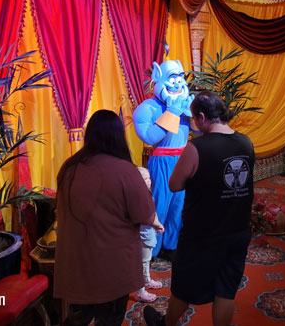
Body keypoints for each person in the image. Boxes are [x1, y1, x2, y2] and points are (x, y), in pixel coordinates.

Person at [144, 91, 255, 326]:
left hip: (202, 233)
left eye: (194, 118)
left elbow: (174, 184)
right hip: (238, 229)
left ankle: (166, 324)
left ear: (202, 117)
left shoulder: (197, 148)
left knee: (184, 285)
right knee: (226, 289)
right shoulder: (246, 142)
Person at [54, 110, 160, 326]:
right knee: (110, 319)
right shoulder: (125, 170)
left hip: (77, 260)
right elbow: (145, 214)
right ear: (118, 136)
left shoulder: (69, 167)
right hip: (113, 263)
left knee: (78, 318)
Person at [133, 59, 194, 259]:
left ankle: (171, 245)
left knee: (178, 205)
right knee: (159, 205)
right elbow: (150, 137)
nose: (177, 83)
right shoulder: (146, 108)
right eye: (171, 78)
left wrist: (193, 113)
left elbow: (199, 132)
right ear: (158, 78)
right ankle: (152, 248)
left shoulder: (186, 104)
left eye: (180, 78)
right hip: (162, 161)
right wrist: (172, 112)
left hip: (183, 158)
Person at [136, 167, 165, 303]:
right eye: (144, 179)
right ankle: (140, 291)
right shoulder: (138, 196)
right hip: (143, 235)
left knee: (146, 261)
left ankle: (147, 281)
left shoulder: (147, 193)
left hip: (148, 232)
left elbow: (152, 213)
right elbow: (146, 216)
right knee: (142, 263)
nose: (148, 181)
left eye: (149, 178)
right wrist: (157, 224)